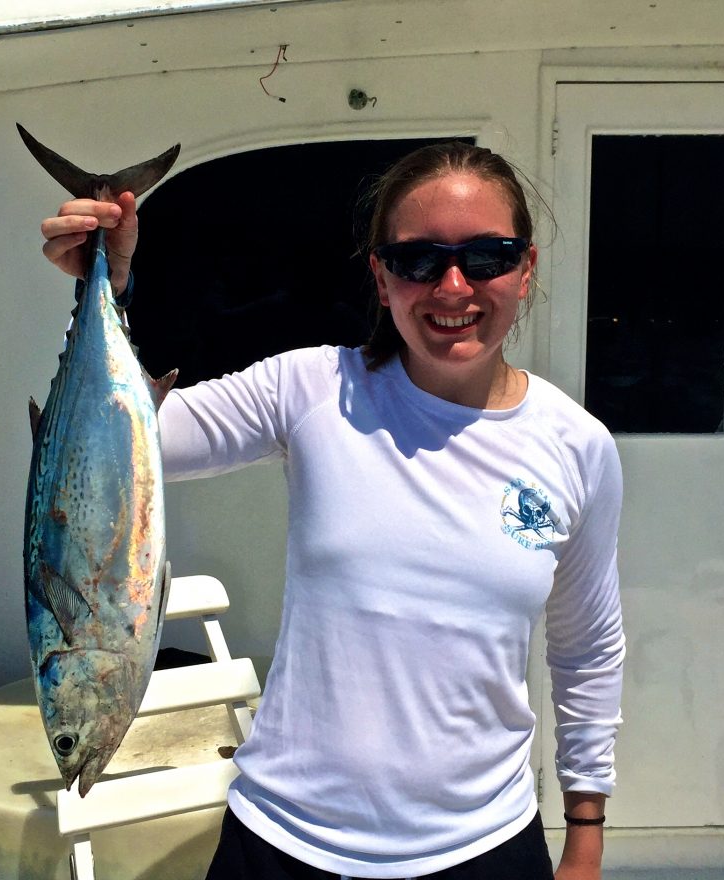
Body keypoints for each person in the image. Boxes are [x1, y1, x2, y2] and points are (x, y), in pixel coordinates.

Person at [40, 141, 625, 880]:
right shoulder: (312, 388)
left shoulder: (578, 446)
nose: (452, 286)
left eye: (487, 256)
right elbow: (130, 451)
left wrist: (586, 833)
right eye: (417, 261)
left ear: (526, 268)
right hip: (283, 841)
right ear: (381, 278)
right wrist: (109, 284)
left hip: (484, 846)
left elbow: (587, 651)